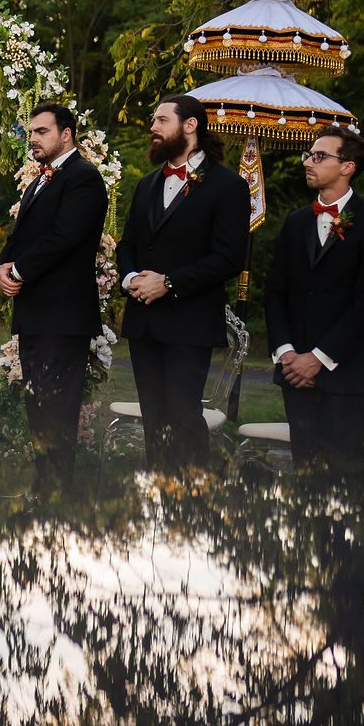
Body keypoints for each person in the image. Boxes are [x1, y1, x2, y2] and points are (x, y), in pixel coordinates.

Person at [113, 94, 250, 470]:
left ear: (190, 125)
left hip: (189, 321)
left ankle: (191, 509)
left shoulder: (228, 186)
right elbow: (128, 245)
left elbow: (228, 258)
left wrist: (169, 283)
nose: (153, 128)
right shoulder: (146, 184)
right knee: (154, 419)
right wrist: (130, 279)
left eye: (161, 120)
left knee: (184, 416)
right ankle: (158, 500)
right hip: (144, 322)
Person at [263, 127, 364, 481]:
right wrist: (287, 353)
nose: (308, 161)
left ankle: (340, 539)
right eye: (309, 154)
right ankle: (307, 537)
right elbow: (275, 291)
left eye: (320, 156)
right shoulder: (296, 222)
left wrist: (318, 359)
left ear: (348, 166)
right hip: (294, 372)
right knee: (305, 470)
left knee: (343, 476)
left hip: (346, 372)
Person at [0, 103, 109, 472]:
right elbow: (21, 236)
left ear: (66, 134)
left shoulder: (84, 178)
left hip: (64, 315)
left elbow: (65, 237)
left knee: (58, 410)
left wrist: (19, 271)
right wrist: (0, 266)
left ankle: (59, 502)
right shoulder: (38, 182)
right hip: (34, 314)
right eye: (31, 133)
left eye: (41, 132)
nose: (33, 140)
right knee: (37, 407)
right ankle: (42, 495)